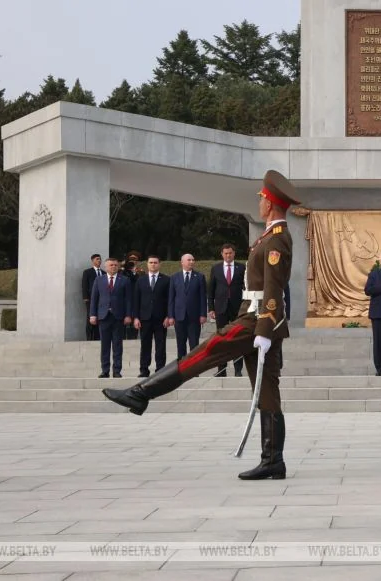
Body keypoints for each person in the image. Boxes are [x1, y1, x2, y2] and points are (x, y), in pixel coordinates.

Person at [102, 170, 300, 482]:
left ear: (272, 204)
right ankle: (273, 459)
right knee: (266, 390)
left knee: (206, 351)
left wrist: (264, 330)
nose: (259, 201)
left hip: (258, 320)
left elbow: (274, 288)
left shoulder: (277, 240)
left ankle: (141, 393)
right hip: (258, 318)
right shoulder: (270, 236)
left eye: (262, 198)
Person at [89, 258, 132, 378]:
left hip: (118, 317)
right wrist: (93, 314)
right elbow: (94, 299)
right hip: (103, 316)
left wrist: (128, 315)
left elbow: (128, 299)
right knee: (105, 345)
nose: (113, 267)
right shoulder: (99, 280)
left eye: (115, 265)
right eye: (111, 265)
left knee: (118, 345)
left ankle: (117, 370)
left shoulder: (124, 280)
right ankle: (105, 370)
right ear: (106, 267)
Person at [208, 244, 246, 377]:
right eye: (225, 253)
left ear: (234, 253)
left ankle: (238, 369)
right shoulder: (216, 268)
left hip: (238, 309)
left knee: (237, 338)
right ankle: (221, 369)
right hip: (221, 308)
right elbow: (211, 290)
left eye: (230, 253)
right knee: (221, 339)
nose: (228, 255)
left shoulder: (241, 267)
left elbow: (246, 287)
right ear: (222, 254)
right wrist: (211, 308)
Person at [133, 256, 170, 378]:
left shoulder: (166, 280)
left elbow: (170, 300)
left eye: (155, 262)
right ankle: (144, 370)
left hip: (161, 318)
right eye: (151, 262)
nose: (153, 264)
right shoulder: (141, 280)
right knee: (145, 345)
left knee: (160, 344)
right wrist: (136, 317)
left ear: (159, 264)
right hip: (144, 318)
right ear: (147, 264)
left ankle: (160, 369)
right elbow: (136, 299)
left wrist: (168, 316)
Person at [167, 254, 207, 359]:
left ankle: (194, 368)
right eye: (189, 260)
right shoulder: (174, 277)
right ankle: (182, 368)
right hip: (179, 316)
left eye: (193, 260)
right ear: (182, 262)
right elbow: (171, 298)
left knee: (194, 344)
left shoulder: (199, 277)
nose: (191, 262)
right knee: (180, 344)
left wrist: (203, 314)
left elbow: (203, 297)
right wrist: (171, 316)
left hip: (194, 317)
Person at [81, 254, 103, 341]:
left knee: (100, 318)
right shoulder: (87, 272)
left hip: (102, 300)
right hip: (91, 299)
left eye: (100, 259)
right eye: (97, 259)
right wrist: (85, 298)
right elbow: (84, 285)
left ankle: (98, 337)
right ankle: (89, 338)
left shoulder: (104, 273)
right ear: (92, 261)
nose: (99, 261)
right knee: (90, 318)